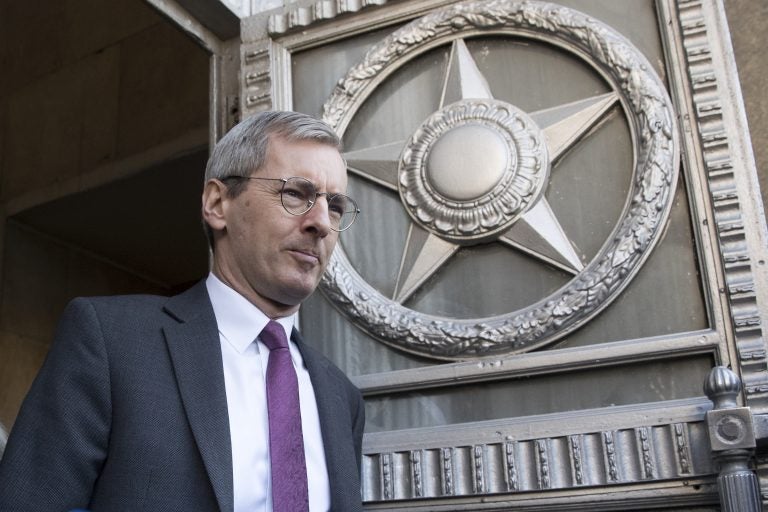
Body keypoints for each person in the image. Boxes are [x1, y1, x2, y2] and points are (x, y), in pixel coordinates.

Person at [0, 111, 365, 511]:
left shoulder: (340, 396)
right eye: (296, 193)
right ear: (217, 203)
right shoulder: (110, 341)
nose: (322, 224)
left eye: (334, 205)